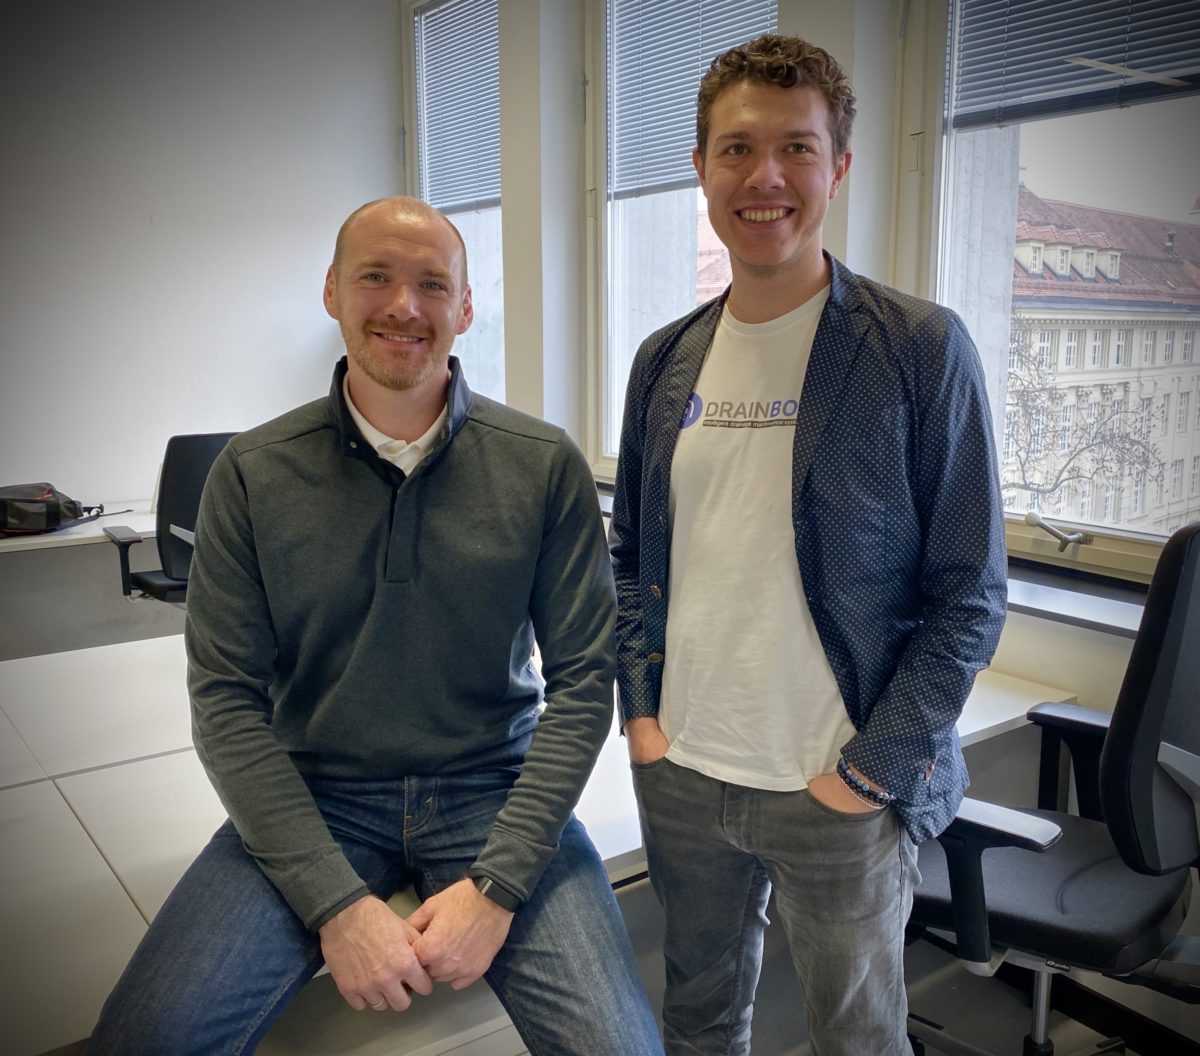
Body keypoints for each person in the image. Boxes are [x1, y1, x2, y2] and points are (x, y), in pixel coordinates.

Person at [89, 196, 663, 1056]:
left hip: (491, 789)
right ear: (331, 291)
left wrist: (499, 884)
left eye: (433, 283)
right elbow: (226, 702)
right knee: (144, 1041)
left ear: (465, 307)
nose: (403, 305)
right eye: (375, 277)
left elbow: (585, 684)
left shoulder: (542, 466)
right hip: (314, 794)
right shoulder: (252, 474)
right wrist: (335, 903)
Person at [609, 34, 1007, 1056]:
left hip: (838, 785)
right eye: (736, 149)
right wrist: (642, 715)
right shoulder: (664, 360)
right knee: (698, 1021)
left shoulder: (918, 347)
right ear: (700, 168)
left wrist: (872, 771)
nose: (766, 176)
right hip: (686, 773)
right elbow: (631, 561)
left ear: (837, 167)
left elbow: (970, 595)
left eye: (797, 147)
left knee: (858, 1041)